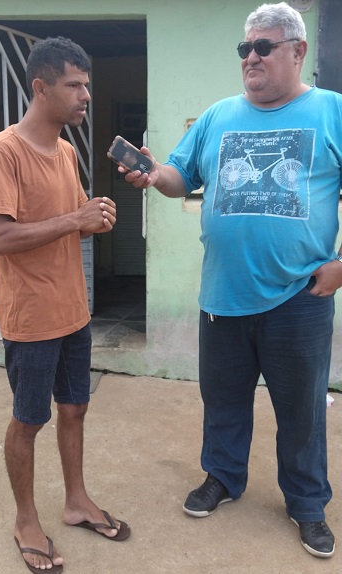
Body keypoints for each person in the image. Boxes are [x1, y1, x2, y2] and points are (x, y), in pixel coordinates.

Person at [121, 2, 341, 559]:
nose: (251, 57)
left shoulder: (333, 111)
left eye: (264, 47)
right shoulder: (219, 116)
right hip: (223, 294)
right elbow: (180, 177)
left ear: (298, 51)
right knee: (222, 400)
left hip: (300, 297)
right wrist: (154, 174)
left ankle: (307, 503)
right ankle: (222, 476)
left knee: (302, 410)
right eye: (245, 48)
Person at [0, 36, 130, 574]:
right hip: (32, 319)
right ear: (41, 88)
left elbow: (67, 221)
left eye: (87, 85)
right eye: (75, 85)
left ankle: (76, 501)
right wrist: (74, 220)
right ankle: (25, 520)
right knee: (28, 420)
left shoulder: (65, 150)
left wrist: (92, 217)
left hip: (73, 312)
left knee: (74, 408)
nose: (86, 95)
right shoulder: (0, 153)